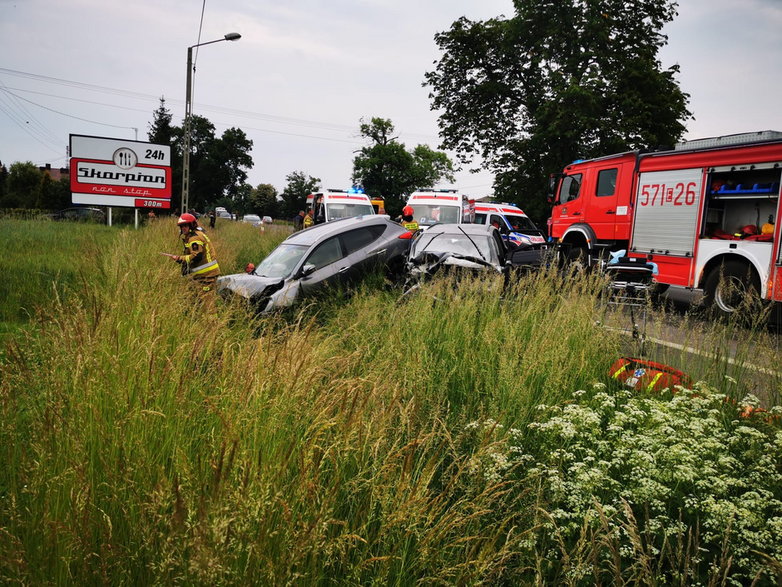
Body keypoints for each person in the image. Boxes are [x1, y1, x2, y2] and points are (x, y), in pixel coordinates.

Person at [162, 213, 221, 295]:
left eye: (185, 226)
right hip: (203, 275)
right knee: (194, 298)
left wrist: (180, 258)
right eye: (181, 226)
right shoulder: (196, 234)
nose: (183, 228)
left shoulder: (194, 238)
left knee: (207, 303)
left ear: (191, 225)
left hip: (207, 276)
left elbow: (196, 256)